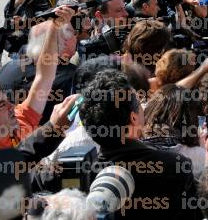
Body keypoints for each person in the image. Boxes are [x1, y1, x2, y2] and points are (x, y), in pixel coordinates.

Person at [79, 69, 201, 219]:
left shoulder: (82, 173)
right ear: (134, 118)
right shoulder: (175, 166)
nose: (143, 106)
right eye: (139, 102)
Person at [0, 7, 73, 153]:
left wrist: (55, 27)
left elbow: (44, 77)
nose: (12, 106)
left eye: (7, 101)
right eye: (1, 105)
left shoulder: (20, 122)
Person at [0, 11, 78, 124]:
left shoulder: (7, 68)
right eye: (74, 33)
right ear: (65, 40)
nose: (76, 37)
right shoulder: (73, 76)